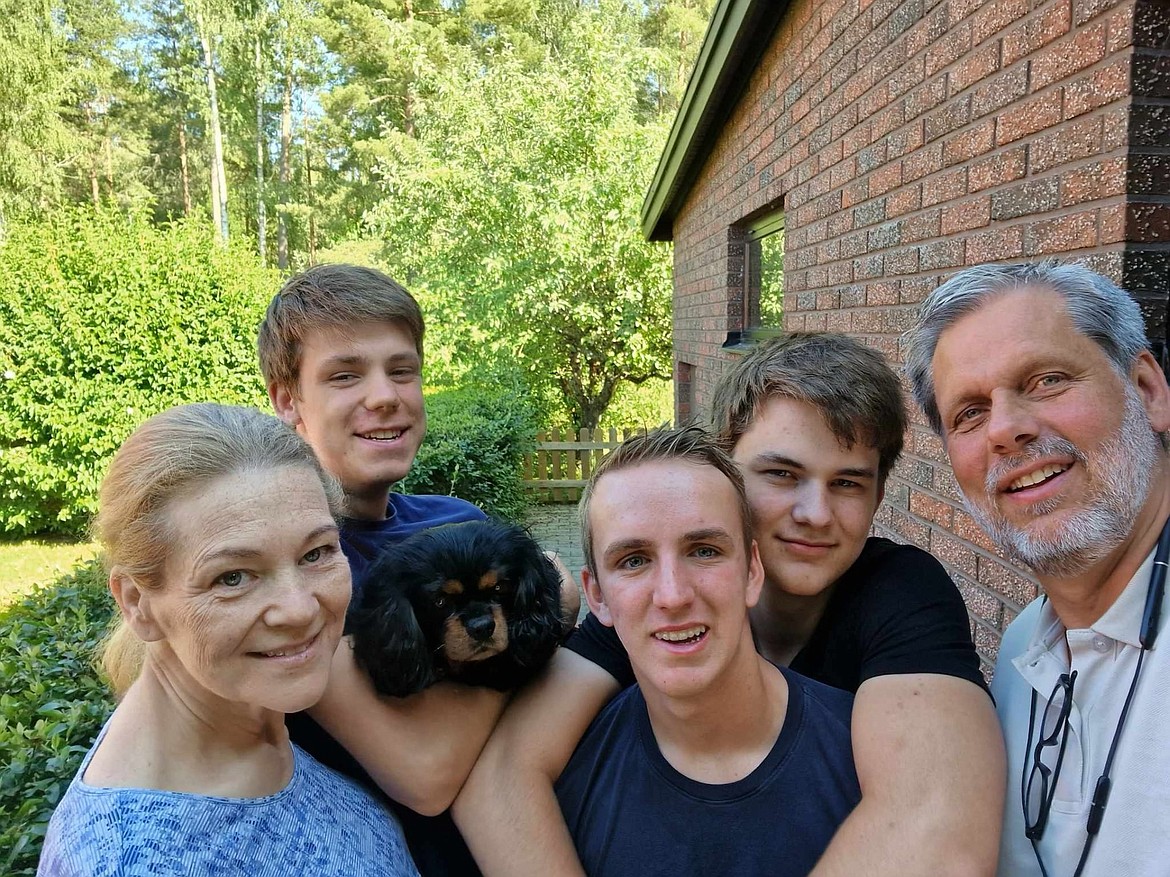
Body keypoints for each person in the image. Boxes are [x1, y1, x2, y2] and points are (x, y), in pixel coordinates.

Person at [455, 331, 1005, 876]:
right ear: (724, 471)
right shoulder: (661, 600)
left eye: (847, 484)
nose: (815, 512)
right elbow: (503, 774)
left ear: (877, 497)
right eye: (782, 474)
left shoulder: (901, 591)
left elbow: (936, 831)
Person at [257, 263, 577, 876]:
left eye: (402, 370)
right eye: (345, 375)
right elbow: (427, 771)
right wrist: (554, 608)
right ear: (287, 400)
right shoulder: (300, 566)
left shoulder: (456, 520)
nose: (385, 396)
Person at [37, 403, 418, 877]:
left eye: (316, 553)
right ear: (137, 602)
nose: (299, 609)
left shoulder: (260, 710)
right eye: (233, 577)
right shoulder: (129, 860)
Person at [905, 261, 1170, 877]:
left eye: (1047, 380)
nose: (1005, 430)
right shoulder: (1026, 644)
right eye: (968, 413)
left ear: (1148, 390)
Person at [556, 426, 861, 873]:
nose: (673, 595)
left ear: (752, 572)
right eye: (634, 561)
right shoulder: (567, 786)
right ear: (597, 596)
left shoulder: (864, 760)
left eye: (703, 551)